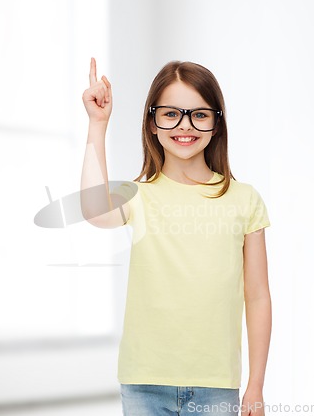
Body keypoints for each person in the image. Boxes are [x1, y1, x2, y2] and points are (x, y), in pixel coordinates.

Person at [81, 57, 271, 416]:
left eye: (199, 114)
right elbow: (93, 210)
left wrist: (256, 385)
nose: (185, 125)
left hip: (216, 386)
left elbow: (258, 296)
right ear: (152, 123)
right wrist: (97, 124)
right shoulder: (139, 195)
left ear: (217, 124)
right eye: (171, 114)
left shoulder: (244, 199)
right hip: (144, 383)